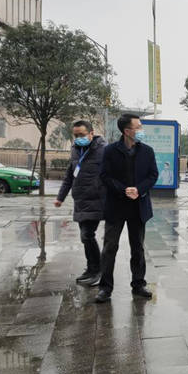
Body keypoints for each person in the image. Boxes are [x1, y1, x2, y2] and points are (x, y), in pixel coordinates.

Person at [96, 113, 159, 303]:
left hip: (138, 206)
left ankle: (139, 284)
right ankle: (105, 288)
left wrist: (138, 189)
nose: (141, 130)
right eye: (138, 127)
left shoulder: (147, 151)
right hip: (116, 205)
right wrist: (123, 190)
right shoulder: (110, 151)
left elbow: (153, 175)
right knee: (110, 247)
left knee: (138, 247)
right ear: (127, 131)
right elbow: (105, 176)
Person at [54, 120, 107, 285]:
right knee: (85, 237)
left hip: (96, 199)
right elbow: (70, 175)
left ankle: (98, 270)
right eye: (75, 135)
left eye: (82, 135)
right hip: (80, 200)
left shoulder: (104, 150)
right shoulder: (76, 150)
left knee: (87, 235)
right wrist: (60, 197)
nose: (78, 138)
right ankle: (91, 268)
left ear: (91, 134)